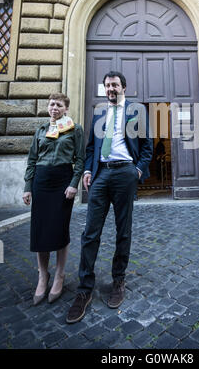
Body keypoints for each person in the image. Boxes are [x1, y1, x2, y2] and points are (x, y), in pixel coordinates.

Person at [66, 71, 153, 324]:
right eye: (107, 85)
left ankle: (118, 280)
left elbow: (147, 146)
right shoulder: (99, 112)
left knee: (123, 230)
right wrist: (88, 169)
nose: (111, 88)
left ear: (124, 87)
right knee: (90, 232)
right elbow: (92, 146)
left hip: (125, 172)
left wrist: (137, 170)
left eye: (115, 85)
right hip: (101, 174)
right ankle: (84, 290)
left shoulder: (137, 112)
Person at [23, 93, 85, 305]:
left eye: (59, 105)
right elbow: (32, 160)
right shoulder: (40, 130)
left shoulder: (75, 129)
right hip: (41, 182)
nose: (54, 107)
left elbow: (80, 159)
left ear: (66, 108)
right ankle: (43, 275)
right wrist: (27, 187)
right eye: (52, 104)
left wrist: (73, 184)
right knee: (40, 231)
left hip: (62, 182)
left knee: (59, 229)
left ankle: (59, 275)